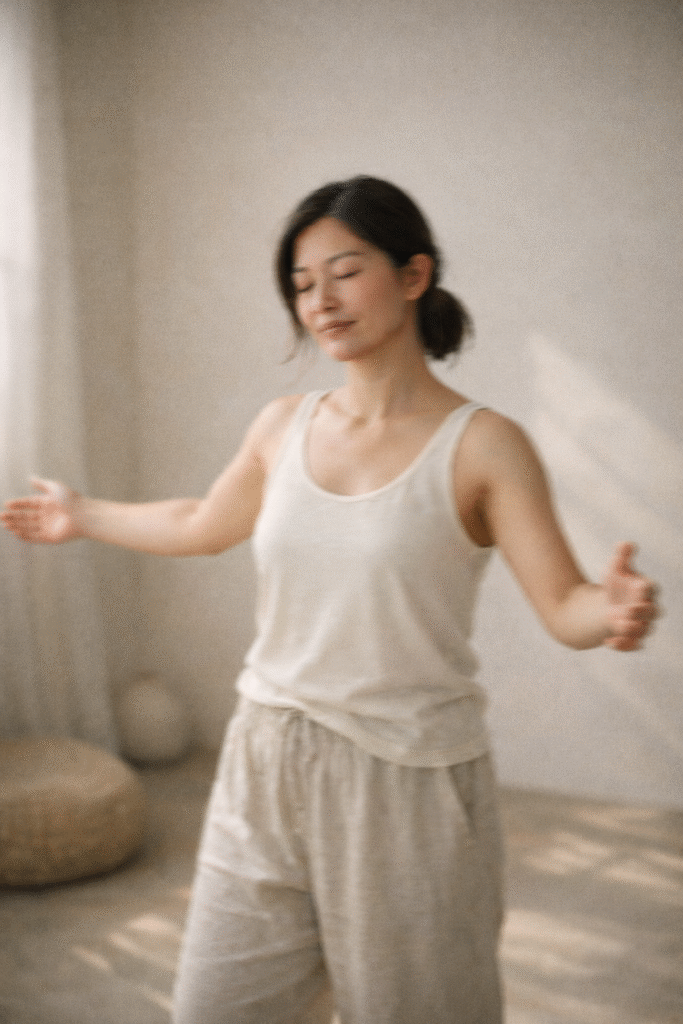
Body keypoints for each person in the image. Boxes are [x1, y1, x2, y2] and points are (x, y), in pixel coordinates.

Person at [1, 176, 658, 1024]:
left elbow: (565, 603)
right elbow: (203, 521)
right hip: (265, 756)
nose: (321, 301)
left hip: (408, 778)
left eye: (344, 272)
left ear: (413, 275)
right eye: (302, 285)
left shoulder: (485, 445)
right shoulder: (282, 425)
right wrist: (81, 515)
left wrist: (612, 613)